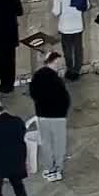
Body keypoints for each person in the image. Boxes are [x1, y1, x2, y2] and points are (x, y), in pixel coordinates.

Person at [27, 54, 70, 183]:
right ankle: (57, 169)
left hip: (42, 115)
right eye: (59, 62)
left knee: (46, 143)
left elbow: (33, 93)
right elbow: (64, 97)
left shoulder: (37, 75)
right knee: (59, 143)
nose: (60, 65)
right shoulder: (56, 79)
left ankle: (48, 168)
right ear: (54, 62)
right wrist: (64, 110)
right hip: (57, 116)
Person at [49, 0, 88, 80]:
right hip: (78, 24)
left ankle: (70, 70)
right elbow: (87, 5)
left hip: (65, 26)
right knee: (78, 49)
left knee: (68, 50)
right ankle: (76, 71)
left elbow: (56, 12)